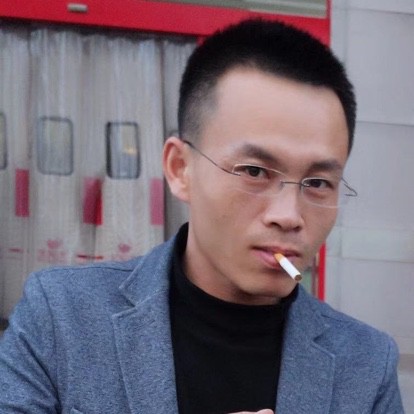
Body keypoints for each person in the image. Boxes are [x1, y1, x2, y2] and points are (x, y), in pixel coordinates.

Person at [0, 19, 404, 414]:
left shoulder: (365, 364)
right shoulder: (62, 315)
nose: (288, 216)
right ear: (180, 169)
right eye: (254, 172)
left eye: (317, 182)